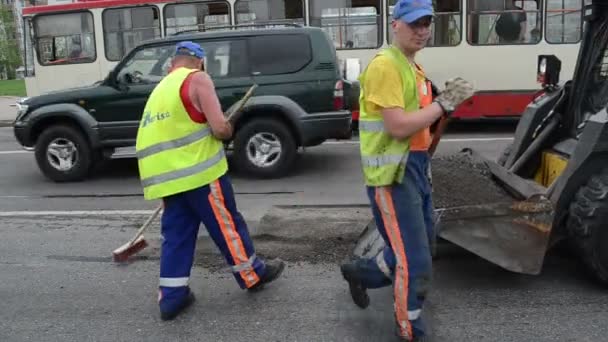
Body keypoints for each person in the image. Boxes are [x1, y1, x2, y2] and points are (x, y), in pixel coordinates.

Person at [339, 0, 475, 341]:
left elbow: (420, 123)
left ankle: (363, 273)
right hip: (393, 177)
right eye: (414, 23)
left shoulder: (411, 66)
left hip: (415, 170)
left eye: (427, 23)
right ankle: (409, 327)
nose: (422, 30)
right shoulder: (387, 65)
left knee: (415, 250)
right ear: (395, 24)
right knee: (414, 261)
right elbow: (398, 126)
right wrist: (442, 104)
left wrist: (440, 104)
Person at [135, 41, 285, 321]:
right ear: (200, 62)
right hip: (199, 174)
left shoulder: (160, 90)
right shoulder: (198, 79)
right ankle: (253, 274)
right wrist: (228, 125)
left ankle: (171, 297)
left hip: (166, 179)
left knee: (176, 238)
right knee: (227, 225)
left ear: (173, 63)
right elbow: (220, 129)